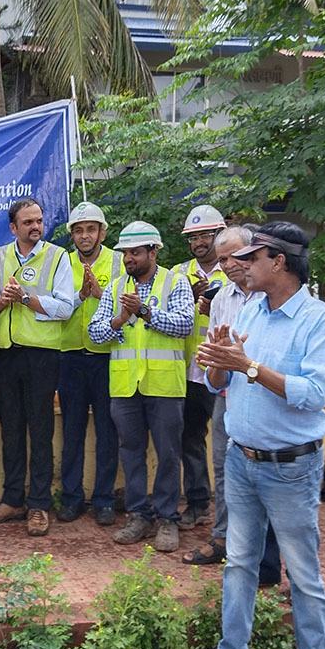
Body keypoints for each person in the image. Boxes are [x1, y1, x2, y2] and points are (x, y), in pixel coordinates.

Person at [196, 222, 325, 649]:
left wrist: (250, 365)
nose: (241, 266)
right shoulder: (250, 310)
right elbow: (222, 380)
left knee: (303, 576)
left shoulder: (319, 321)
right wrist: (219, 361)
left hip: (291, 468)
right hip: (242, 460)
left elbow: (314, 394)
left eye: (251, 258)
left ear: (277, 262)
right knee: (238, 564)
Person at [181, 225, 282, 586]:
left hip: (266, 397)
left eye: (233, 257)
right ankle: (223, 539)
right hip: (226, 393)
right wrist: (215, 363)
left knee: (265, 477)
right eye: (222, 259)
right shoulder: (222, 297)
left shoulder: (272, 295)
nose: (226, 265)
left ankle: (264, 554)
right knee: (224, 467)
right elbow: (219, 349)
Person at [87, 221, 194, 553]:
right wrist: (120, 319)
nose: (128, 259)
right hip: (124, 387)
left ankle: (166, 519)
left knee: (167, 455)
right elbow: (95, 333)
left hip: (164, 385)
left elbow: (186, 325)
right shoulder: (118, 287)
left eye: (135, 253)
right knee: (130, 454)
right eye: (124, 254)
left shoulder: (176, 283)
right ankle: (139, 516)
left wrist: (145, 311)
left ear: (153, 251)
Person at [0, 198, 75, 537]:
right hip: (6, 354)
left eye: (38, 221)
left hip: (42, 355)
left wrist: (24, 299)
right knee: (11, 430)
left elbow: (66, 307)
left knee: (41, 430)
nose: (35, 227)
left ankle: (38, 504)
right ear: (13, 227)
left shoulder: (57, 257)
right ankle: (12, 500)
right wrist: (1, 301)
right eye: (28, 222)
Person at [57, 201, 123, 525]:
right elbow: (53, 308)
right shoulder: (61, 263)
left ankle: (104, 500)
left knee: (107, 433)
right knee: (72, 431)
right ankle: (71, 498)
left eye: (91, 229)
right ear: (72, 235)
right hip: (69, 356)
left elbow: (128, 307)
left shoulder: (119, 262)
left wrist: (99, 295)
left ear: (102, 232)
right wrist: (81, 296)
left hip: (106, 357)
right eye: (79, 230)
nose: (85, 235)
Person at [172, 205, 228, 529]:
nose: (199, 242)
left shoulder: (234, 271)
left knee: (229, 442)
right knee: (190, 439)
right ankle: (197, 506)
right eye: (193, 237)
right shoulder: (179, 274)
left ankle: (231, 511)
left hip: (223, 372)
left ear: (218, 235)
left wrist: (212, 305)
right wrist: (188, 300)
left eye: (205, 234)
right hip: (189, 372)